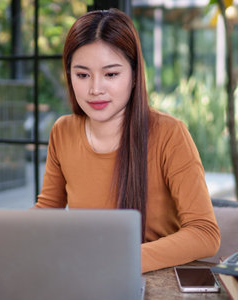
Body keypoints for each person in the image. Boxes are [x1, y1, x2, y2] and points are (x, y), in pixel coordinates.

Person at [34, 8, 220, 273]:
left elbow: (205, 234)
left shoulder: (170, 134)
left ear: (134, 76)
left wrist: (119, 259)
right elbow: (48, 210)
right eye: (82, 75)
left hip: (151, 280)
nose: (95, 89)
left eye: (111, 74)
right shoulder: (62, 131)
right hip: (84, 276)